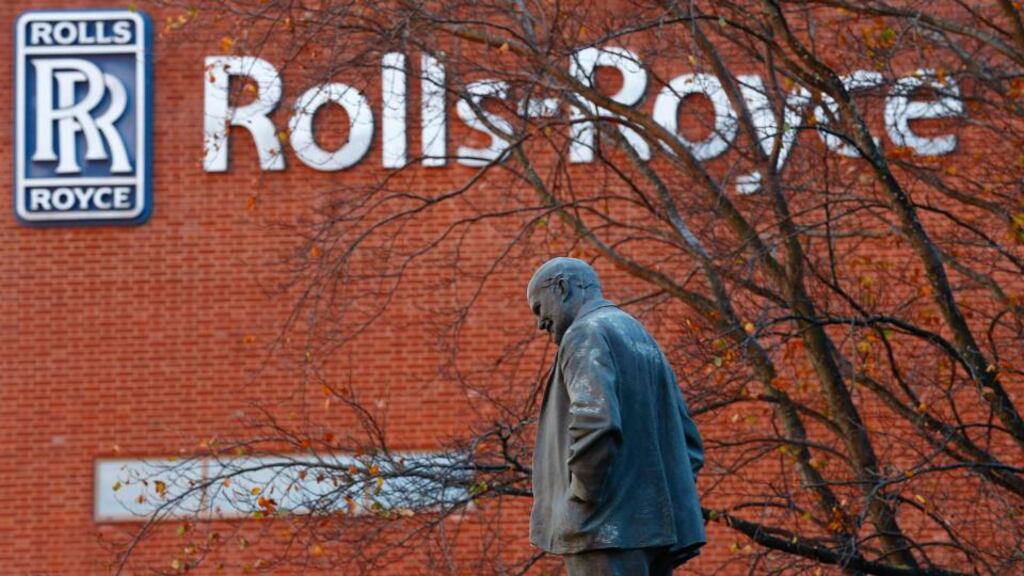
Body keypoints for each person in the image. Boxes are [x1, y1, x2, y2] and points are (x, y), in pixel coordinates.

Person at [527, 257, 706, 576]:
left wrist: (581, 499)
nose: (540, 323)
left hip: (603, 531)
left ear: (563, 288)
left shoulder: (585, 333)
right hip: (649, 533)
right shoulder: (639, 336)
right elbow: (688, 442)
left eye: (540, 309)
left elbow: (595, 422)